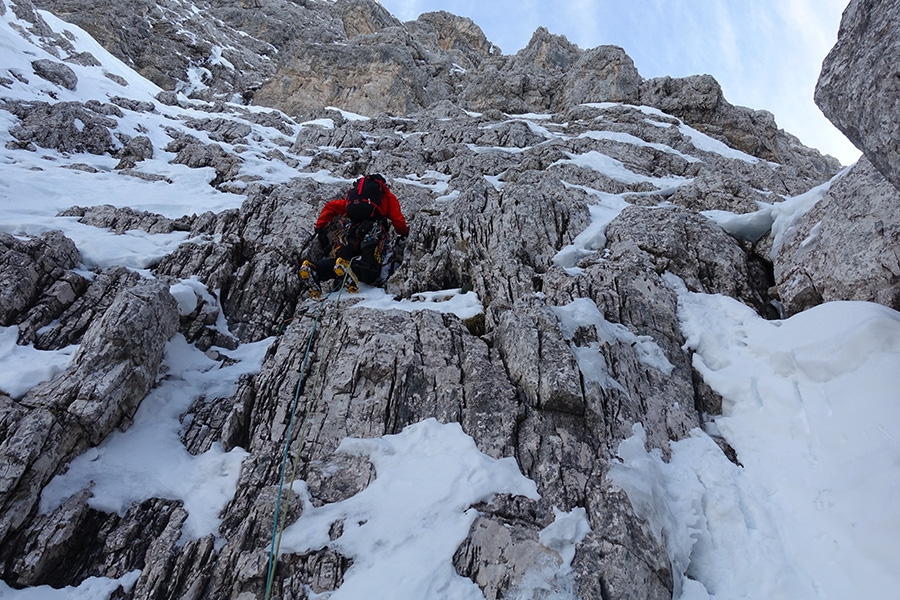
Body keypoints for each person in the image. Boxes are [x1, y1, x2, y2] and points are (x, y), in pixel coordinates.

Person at [301, 174, 408, 297]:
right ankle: (349, 267)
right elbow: (398, 220)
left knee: (339, 261)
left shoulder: (355, 199)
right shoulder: (386, 195)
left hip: (350, 231)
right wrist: (404, 233)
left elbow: (331, 207)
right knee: (371, 270)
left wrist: (320, 226)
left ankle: (314, 269)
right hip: (373, 231)